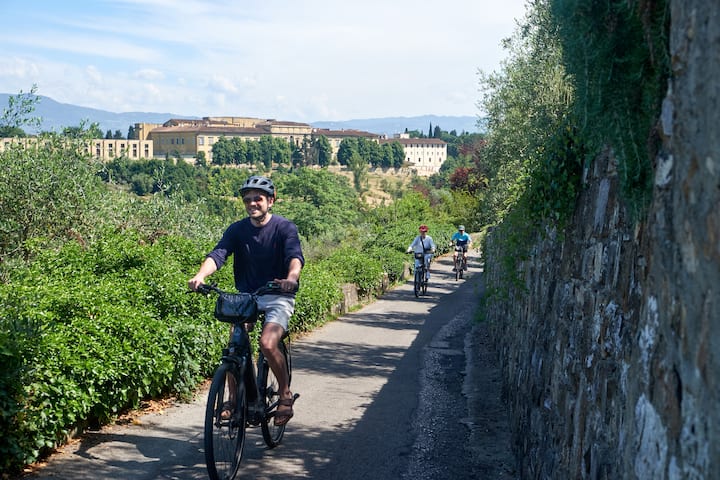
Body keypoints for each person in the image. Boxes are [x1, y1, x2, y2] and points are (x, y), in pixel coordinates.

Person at [188, 175, 304, 426]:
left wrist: (291, 279)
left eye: (258, 199)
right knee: (235, 345)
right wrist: (200, 275)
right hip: (247, 297)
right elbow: (218, 254)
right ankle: (232, 400)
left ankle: (284, 394)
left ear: (271, 201)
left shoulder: (284, 228)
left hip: (278, 294)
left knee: (267, 343)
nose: (252, 203)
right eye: (248, 200)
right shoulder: (237, 229)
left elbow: (294, 257)